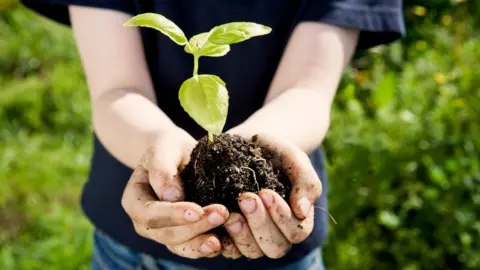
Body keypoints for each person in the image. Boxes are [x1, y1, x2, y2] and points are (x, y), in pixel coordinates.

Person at [21, 0, 405, 269]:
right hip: (131, 249)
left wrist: (256, 143)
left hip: (279, 248)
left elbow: (307, 90)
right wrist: (157, 144)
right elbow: (115, 90)